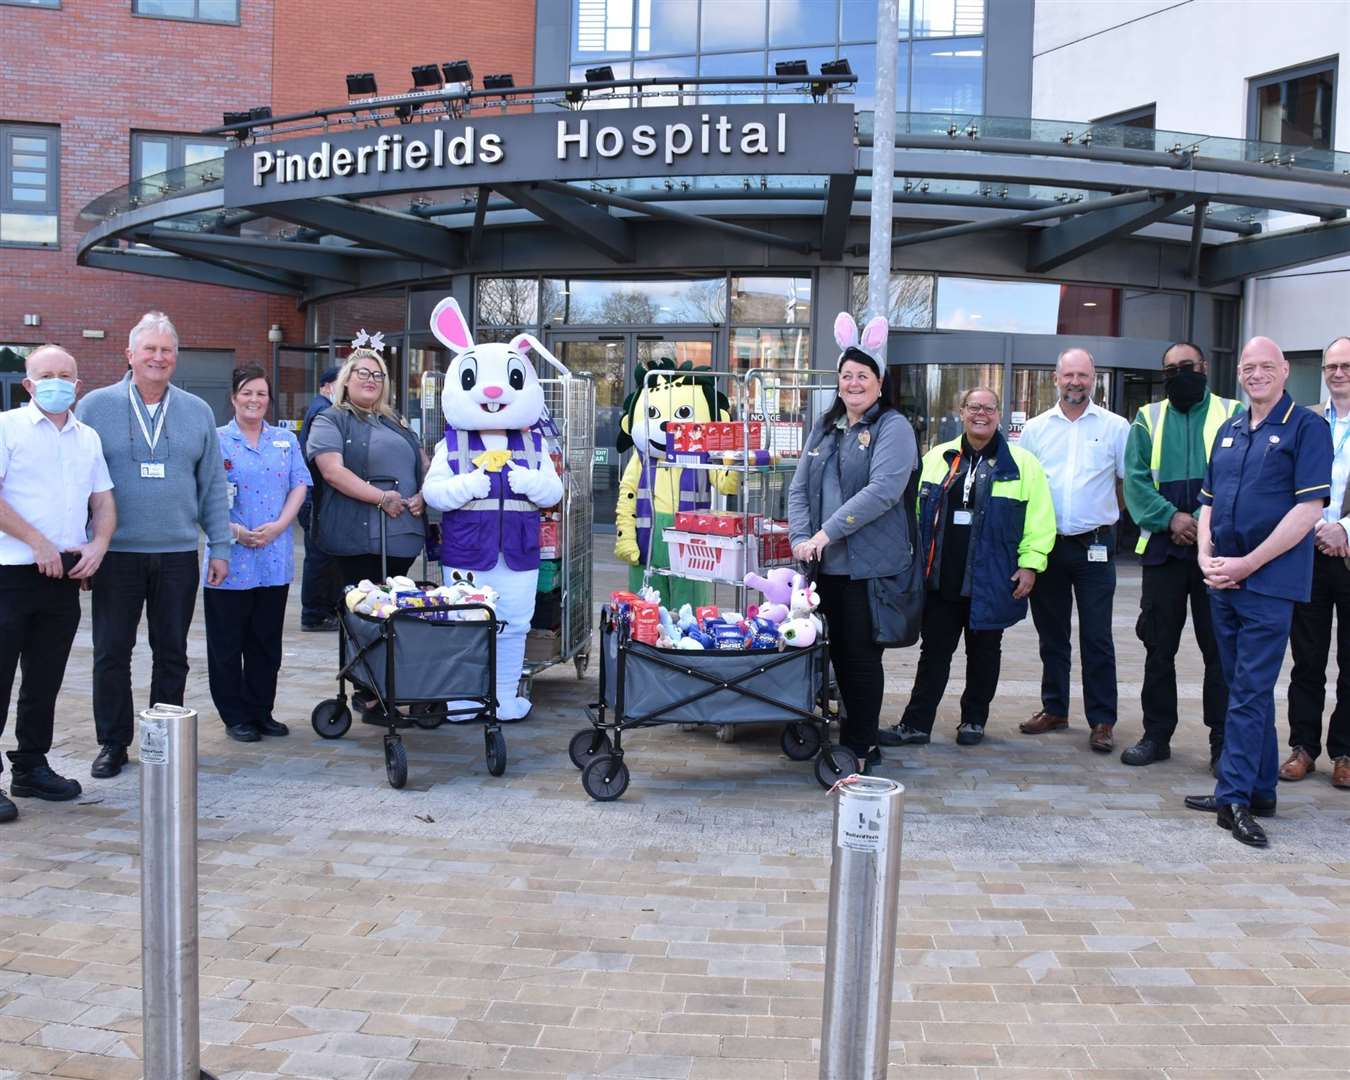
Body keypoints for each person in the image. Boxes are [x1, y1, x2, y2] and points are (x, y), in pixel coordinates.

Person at [1183, 337, 1332, 848]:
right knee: (1238, 685)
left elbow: (1308, 511)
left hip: (1268, 584)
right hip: (1223, 579)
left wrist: (1249, 562)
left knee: (1248, 689)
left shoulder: (1308, 428)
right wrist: (1205, 556)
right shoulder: (1228, 430)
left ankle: (1235, 799)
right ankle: (1257, 787)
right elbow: (1208, 502)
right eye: (1248, 367)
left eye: (1266, 366)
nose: (1257, 374)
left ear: (1286, 370)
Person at [76, 312, 231, 780]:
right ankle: (112, 743)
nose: (158, 358)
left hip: (177, 554)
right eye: (150, 349)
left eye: (167, 351)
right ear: (130, 355)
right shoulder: (94, 407)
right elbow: (76, 482)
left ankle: (163, 740)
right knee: (111, 652)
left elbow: (213, 486)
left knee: (171, 653)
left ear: (176, 358)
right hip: (116, 554)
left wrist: (220, 545)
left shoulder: (197, 411)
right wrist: (83, 546)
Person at [881, 387, 1054, 748]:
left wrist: (1031, 564)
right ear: (961, 412)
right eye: (974, 407)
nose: (981, 414)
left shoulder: (1023, 466)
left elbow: (1039, 521)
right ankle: (916, 725)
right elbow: (912, 516)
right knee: (934, 654)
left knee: (985, 653)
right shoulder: (936, 458)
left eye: (989, 408)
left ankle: (973, 721)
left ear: (998, 415)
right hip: (942, 578)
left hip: (992, 579)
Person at [788, 313, 918, 772]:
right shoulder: (824, 429)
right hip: (828, 569)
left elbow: (883, 491)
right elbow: (799, 488)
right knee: (837, 656)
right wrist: (802, 537)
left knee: (861, 660)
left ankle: (861, 745)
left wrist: (826, 533)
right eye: (847, 375)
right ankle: (849, 739)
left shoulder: (894, 428)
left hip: (870, 570)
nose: (854, 383)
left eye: (863, 375)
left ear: (879, 383)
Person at [0, 346, 115, 821]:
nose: (56, 382)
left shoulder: (87, 437)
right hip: (9, 574)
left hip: (63, 578)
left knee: (44, 680)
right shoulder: (6, 428)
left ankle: (30, 766)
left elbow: (103, 500)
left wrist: (99, 544)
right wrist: (37, 542)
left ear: (77, 384)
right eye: (45, 375)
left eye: (65, 375)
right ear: (28, 384)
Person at [1121, 343, 1242, 770]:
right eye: (1169, 370)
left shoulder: (1234, 412)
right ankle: (1156, 736)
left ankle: (1222, 742)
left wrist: (1203, 525)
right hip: (1163, 550)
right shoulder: (1147, 418)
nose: (1178, 375)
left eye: (1186, 367)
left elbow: (1243, 477)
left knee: (1220, 651)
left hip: (1218, 554)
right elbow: (1135, 483)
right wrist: (1171, 518)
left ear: (1204, 368)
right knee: (1158, 648)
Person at [1016, 348, 1130, 753]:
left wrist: (1102, 518)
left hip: (1095, 545)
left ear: (1094, 378)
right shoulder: (1034, 429)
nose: (1076, 382)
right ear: (1055, 378)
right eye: (1069, 375)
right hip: (1048, 547)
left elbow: (1125, 484)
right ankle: (1055, 708)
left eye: (1083, 375)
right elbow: (1025, 490)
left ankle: (1102, 720)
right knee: (1052, 634)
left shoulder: (1117, 428)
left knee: (1097, 636)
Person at [205, 366, 311, 743]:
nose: (254, 400)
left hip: (273, 554)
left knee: (266, 641)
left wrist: (282, 525)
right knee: (227, 643)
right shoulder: (215, 440)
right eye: (247, 393)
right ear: (234, 397)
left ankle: (261, 710)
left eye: (261, 394)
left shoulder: (285, 440)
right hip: (229, 557)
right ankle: (235, 716)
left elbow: (300, 484)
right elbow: (200, 494)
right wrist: (232, 531)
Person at [1283, 335, 1350, 790]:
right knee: (1306, 659)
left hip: (1348, 554)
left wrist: (1345, 529)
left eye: (1346, 365)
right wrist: (1311, 528)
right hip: (1307, 554)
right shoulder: (1305, 422)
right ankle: (1303, 747)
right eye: (1331, 366)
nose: (1338, 373)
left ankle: (1345, 752)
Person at [306, 345, 427, 588]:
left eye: (378, 375)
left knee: (392, 614)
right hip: (356, 542)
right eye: (363, 373)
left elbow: (424, 464)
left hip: (403, 539)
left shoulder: (395, 421)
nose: (371, 379)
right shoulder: (330, 419)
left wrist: (425, 495)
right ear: (346, 380)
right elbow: (332, 472)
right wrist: (381, 498)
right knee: (362, 612)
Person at [298, 365, 340, 631]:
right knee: (320, 557)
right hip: (316, 498)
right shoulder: (323, 412)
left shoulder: (319, 408)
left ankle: (319, 610)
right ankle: (314, 614)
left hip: (314, 496)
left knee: (322, 556)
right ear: (326, 386)